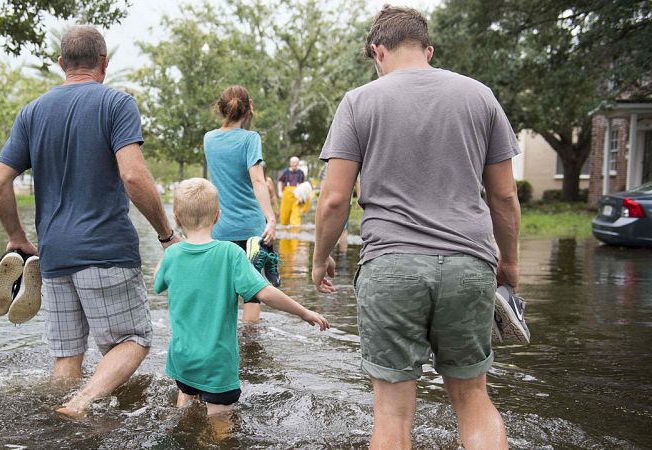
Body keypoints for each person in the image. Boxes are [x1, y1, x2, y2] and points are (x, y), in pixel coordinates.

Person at [312, 6, 520, 449]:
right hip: (469, 265)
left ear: (377, 50)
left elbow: (334, 200)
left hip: (391, 265)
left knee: (391, 411)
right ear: (428, 50)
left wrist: (320, 259)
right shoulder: (480, 96)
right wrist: (511, 262)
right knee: (473, 399)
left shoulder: (359, 101)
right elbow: (504, 196)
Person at [0, 26, 179, 418]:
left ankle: (60, 424)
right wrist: (166, 234)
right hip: (105, 251)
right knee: (133, 338)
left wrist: (17, 236)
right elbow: (133, 176)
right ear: (104, 64)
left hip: (53, 256)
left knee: (67, 354)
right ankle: (82, 403)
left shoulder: (32, 112)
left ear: (62, 64)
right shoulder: (116, 104)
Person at [154, 178, 329, 420]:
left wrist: (167, 252)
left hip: (181, 357)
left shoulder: (172, 254)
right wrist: (304, 312)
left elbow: (157, 284)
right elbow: (265, 293)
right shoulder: (230, 254)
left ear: (176, 217)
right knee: (219, 422)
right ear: (217, 216)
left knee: (185, 406)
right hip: (217, 364)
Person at [203, 85, 280, 322]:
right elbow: (258, 180)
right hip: (251, 229)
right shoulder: (250, 139)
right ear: (249, 109)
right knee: (252, 293)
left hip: (220, 228)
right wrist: (271, 218)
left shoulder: (209, 139)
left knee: (223, 291)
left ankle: (225, 344)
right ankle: (250, 352)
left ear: (220, 108)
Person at [278, 156, 307, 226]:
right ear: (290, 163)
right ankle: (284, 234)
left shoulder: (301, 173)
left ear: (298, 164)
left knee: (296, 219)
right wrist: (280, 191)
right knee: (284, 218)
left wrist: (302, 197)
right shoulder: (285, 172)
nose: (294, 164)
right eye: (293, 162)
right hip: (286, 197)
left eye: (296, 163)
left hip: (296, 197)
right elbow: (280, 181)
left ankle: (295, 233)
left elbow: (303, 185)